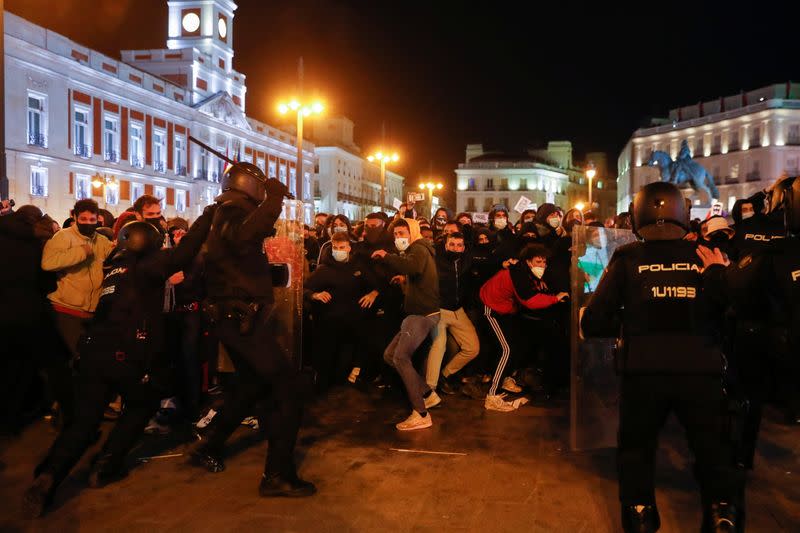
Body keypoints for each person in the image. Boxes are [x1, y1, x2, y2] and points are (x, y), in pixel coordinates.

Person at [23, 210, 215, 518]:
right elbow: (187, 250)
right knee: (143, 403)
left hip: (93, 353)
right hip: (128, 356)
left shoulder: (113, 266)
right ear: (151, 243)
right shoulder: (149, 265)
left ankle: (51, 475)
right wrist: (209, 215)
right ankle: (107, 464)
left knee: (84, 422)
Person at [581, 181, 744, 533]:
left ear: (639, 214)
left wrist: (627, 317)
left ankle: (639, 512)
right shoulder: (707, 255)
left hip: (644, 370)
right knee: (712, 447)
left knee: (637, 446)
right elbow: (734, 310)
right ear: (682, 213)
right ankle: (722, 514)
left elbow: (595, 320)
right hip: (701, 370)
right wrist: (717, 275)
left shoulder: (627, 258)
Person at [188, 162, 316, 497]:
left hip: (237, 317)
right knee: (288, 388)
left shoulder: (225, 213)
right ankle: (277, 475)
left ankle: (209, 446)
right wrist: (274, 199)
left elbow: (238, 262)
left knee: (249, 387)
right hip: (238, 320)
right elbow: (246, 235)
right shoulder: (232, 211)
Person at [41, 199, 115, 426]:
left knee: (89, 363)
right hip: (67, 309)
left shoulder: (102, 240)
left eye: (92, 220)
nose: (88, 223)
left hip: (93, 311)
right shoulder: (62, 237)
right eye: (83, 220)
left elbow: (109, 265)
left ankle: (77, 410)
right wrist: (80, 252)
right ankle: (67, 413)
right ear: (74, 217)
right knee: (78, 361)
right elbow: (49, 263)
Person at [371, 218, 441, 430]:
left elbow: (414, 266)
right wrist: (404, 281)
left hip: (421, 314)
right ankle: (428, 394)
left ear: (413, 232)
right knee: (390, 355)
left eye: (403, 233)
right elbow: (416, 273)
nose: (399, 237)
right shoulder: (418, 249)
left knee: (400, 357)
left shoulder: (419, 248)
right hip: (418, 313)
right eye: (396, 234)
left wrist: (387, 256)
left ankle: (421, 414)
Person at [480, 244, 568, 411]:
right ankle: (492, 395)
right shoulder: (518, 273)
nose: (542, 265)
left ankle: (505, 378)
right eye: (538, 261)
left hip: (505, 309)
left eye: (544, 262)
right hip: (492, 308)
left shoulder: (525, 272)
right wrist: (555, 298)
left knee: (516, 344)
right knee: (507, 349)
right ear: (528, 262)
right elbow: (530, 300)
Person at [0, 206, 59, 434]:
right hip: (27, 313)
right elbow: (47, 283)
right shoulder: (37, 243)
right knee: (21, 369)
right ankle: (11, 419)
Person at [304, 232, 380, 389]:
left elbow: (377, 284)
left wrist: (373, 293)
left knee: (344, 367)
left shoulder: (358, 267)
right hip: (329, 323)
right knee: (327, 370)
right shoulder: (324, 270)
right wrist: (316, 295)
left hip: (353, 324)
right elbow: (305, 288)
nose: (338, 250)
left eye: (342, 247)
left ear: (349, 248)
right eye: (335, 247)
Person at [426, 232, 480, 395]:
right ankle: (430, 389)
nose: (455, 248)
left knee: (472, 348)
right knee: (439, 346)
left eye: (459, 245)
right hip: (439, 310)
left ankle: (444, 375)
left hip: (458, 311)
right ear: (445, 245)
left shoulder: (466, 260)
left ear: (463, 247)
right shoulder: (436, 259)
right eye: (452, 244)